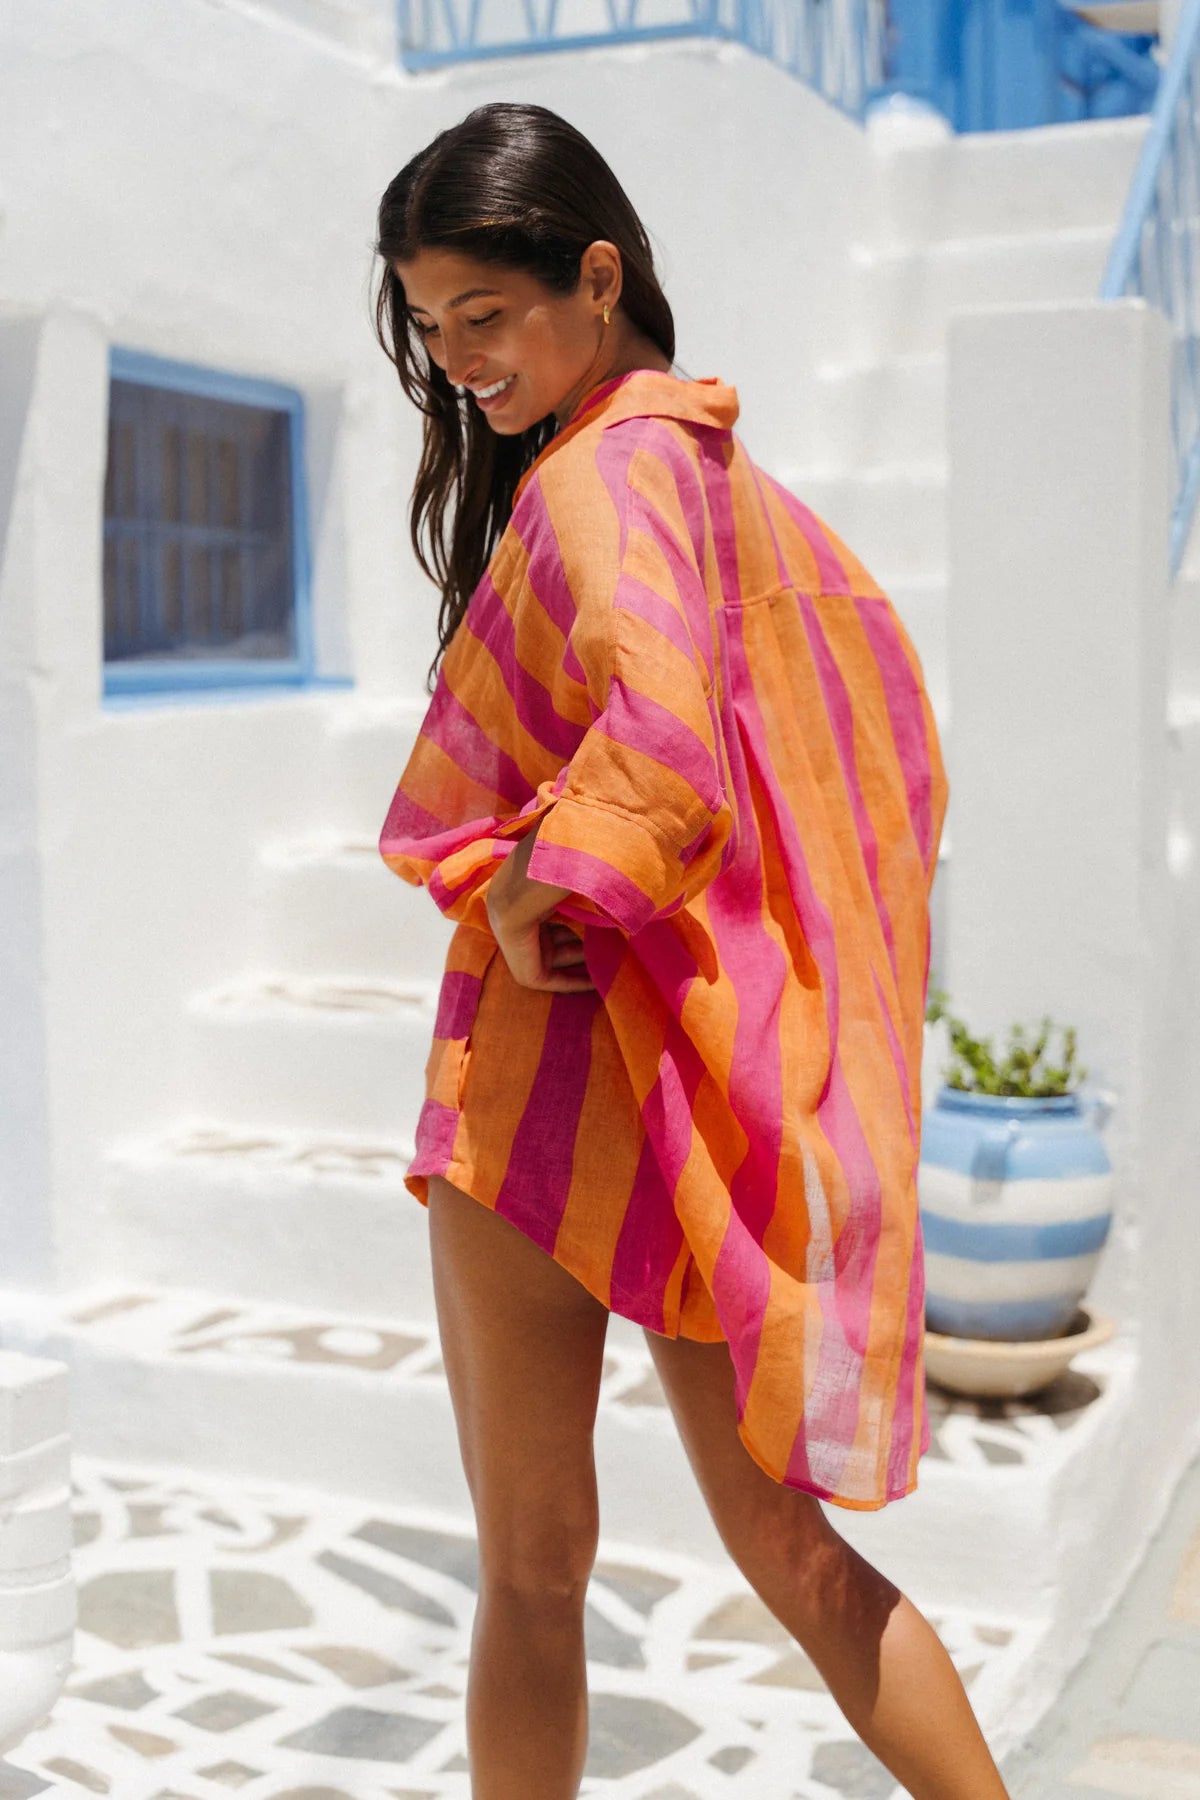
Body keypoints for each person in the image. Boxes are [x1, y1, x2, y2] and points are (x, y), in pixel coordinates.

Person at [372, 101, 1011, 1800]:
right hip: (698, 1095)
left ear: (598, 275)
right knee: (795, 1566)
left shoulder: (598, 480)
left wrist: (524, 890)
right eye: (431, 332)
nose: (457, 367)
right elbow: (881, 751)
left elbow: (661, 753)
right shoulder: (744, 496)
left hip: (545, 1091)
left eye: (484, 319)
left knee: (531, 1570)